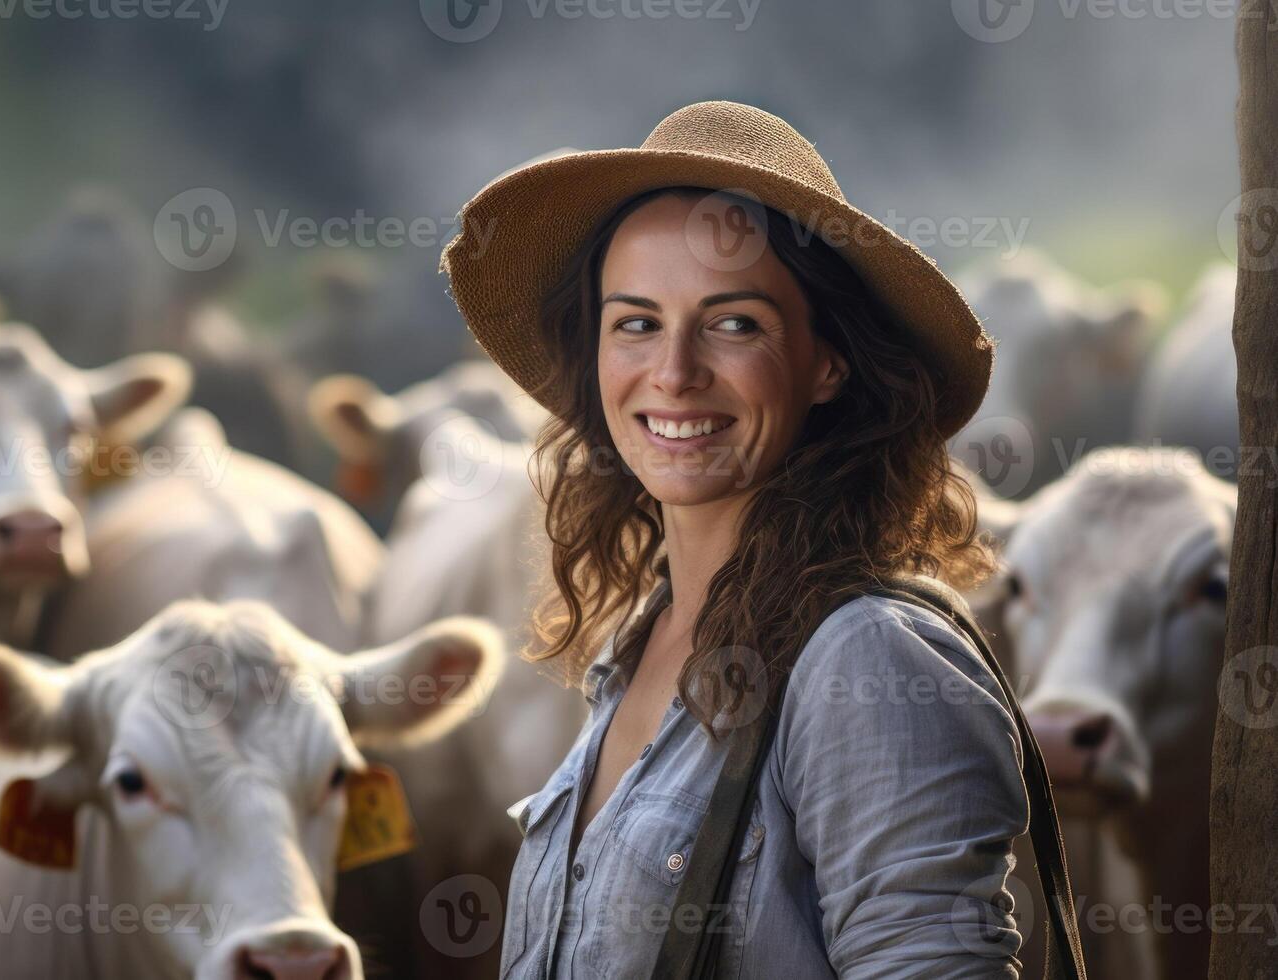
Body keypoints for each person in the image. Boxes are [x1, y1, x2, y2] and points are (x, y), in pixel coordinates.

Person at [441, 100, 1029, 977]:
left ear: (826, 362)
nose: (672, 374)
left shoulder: (867, 660)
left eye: (733, 323)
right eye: (635, 322)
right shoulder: (637, 641)